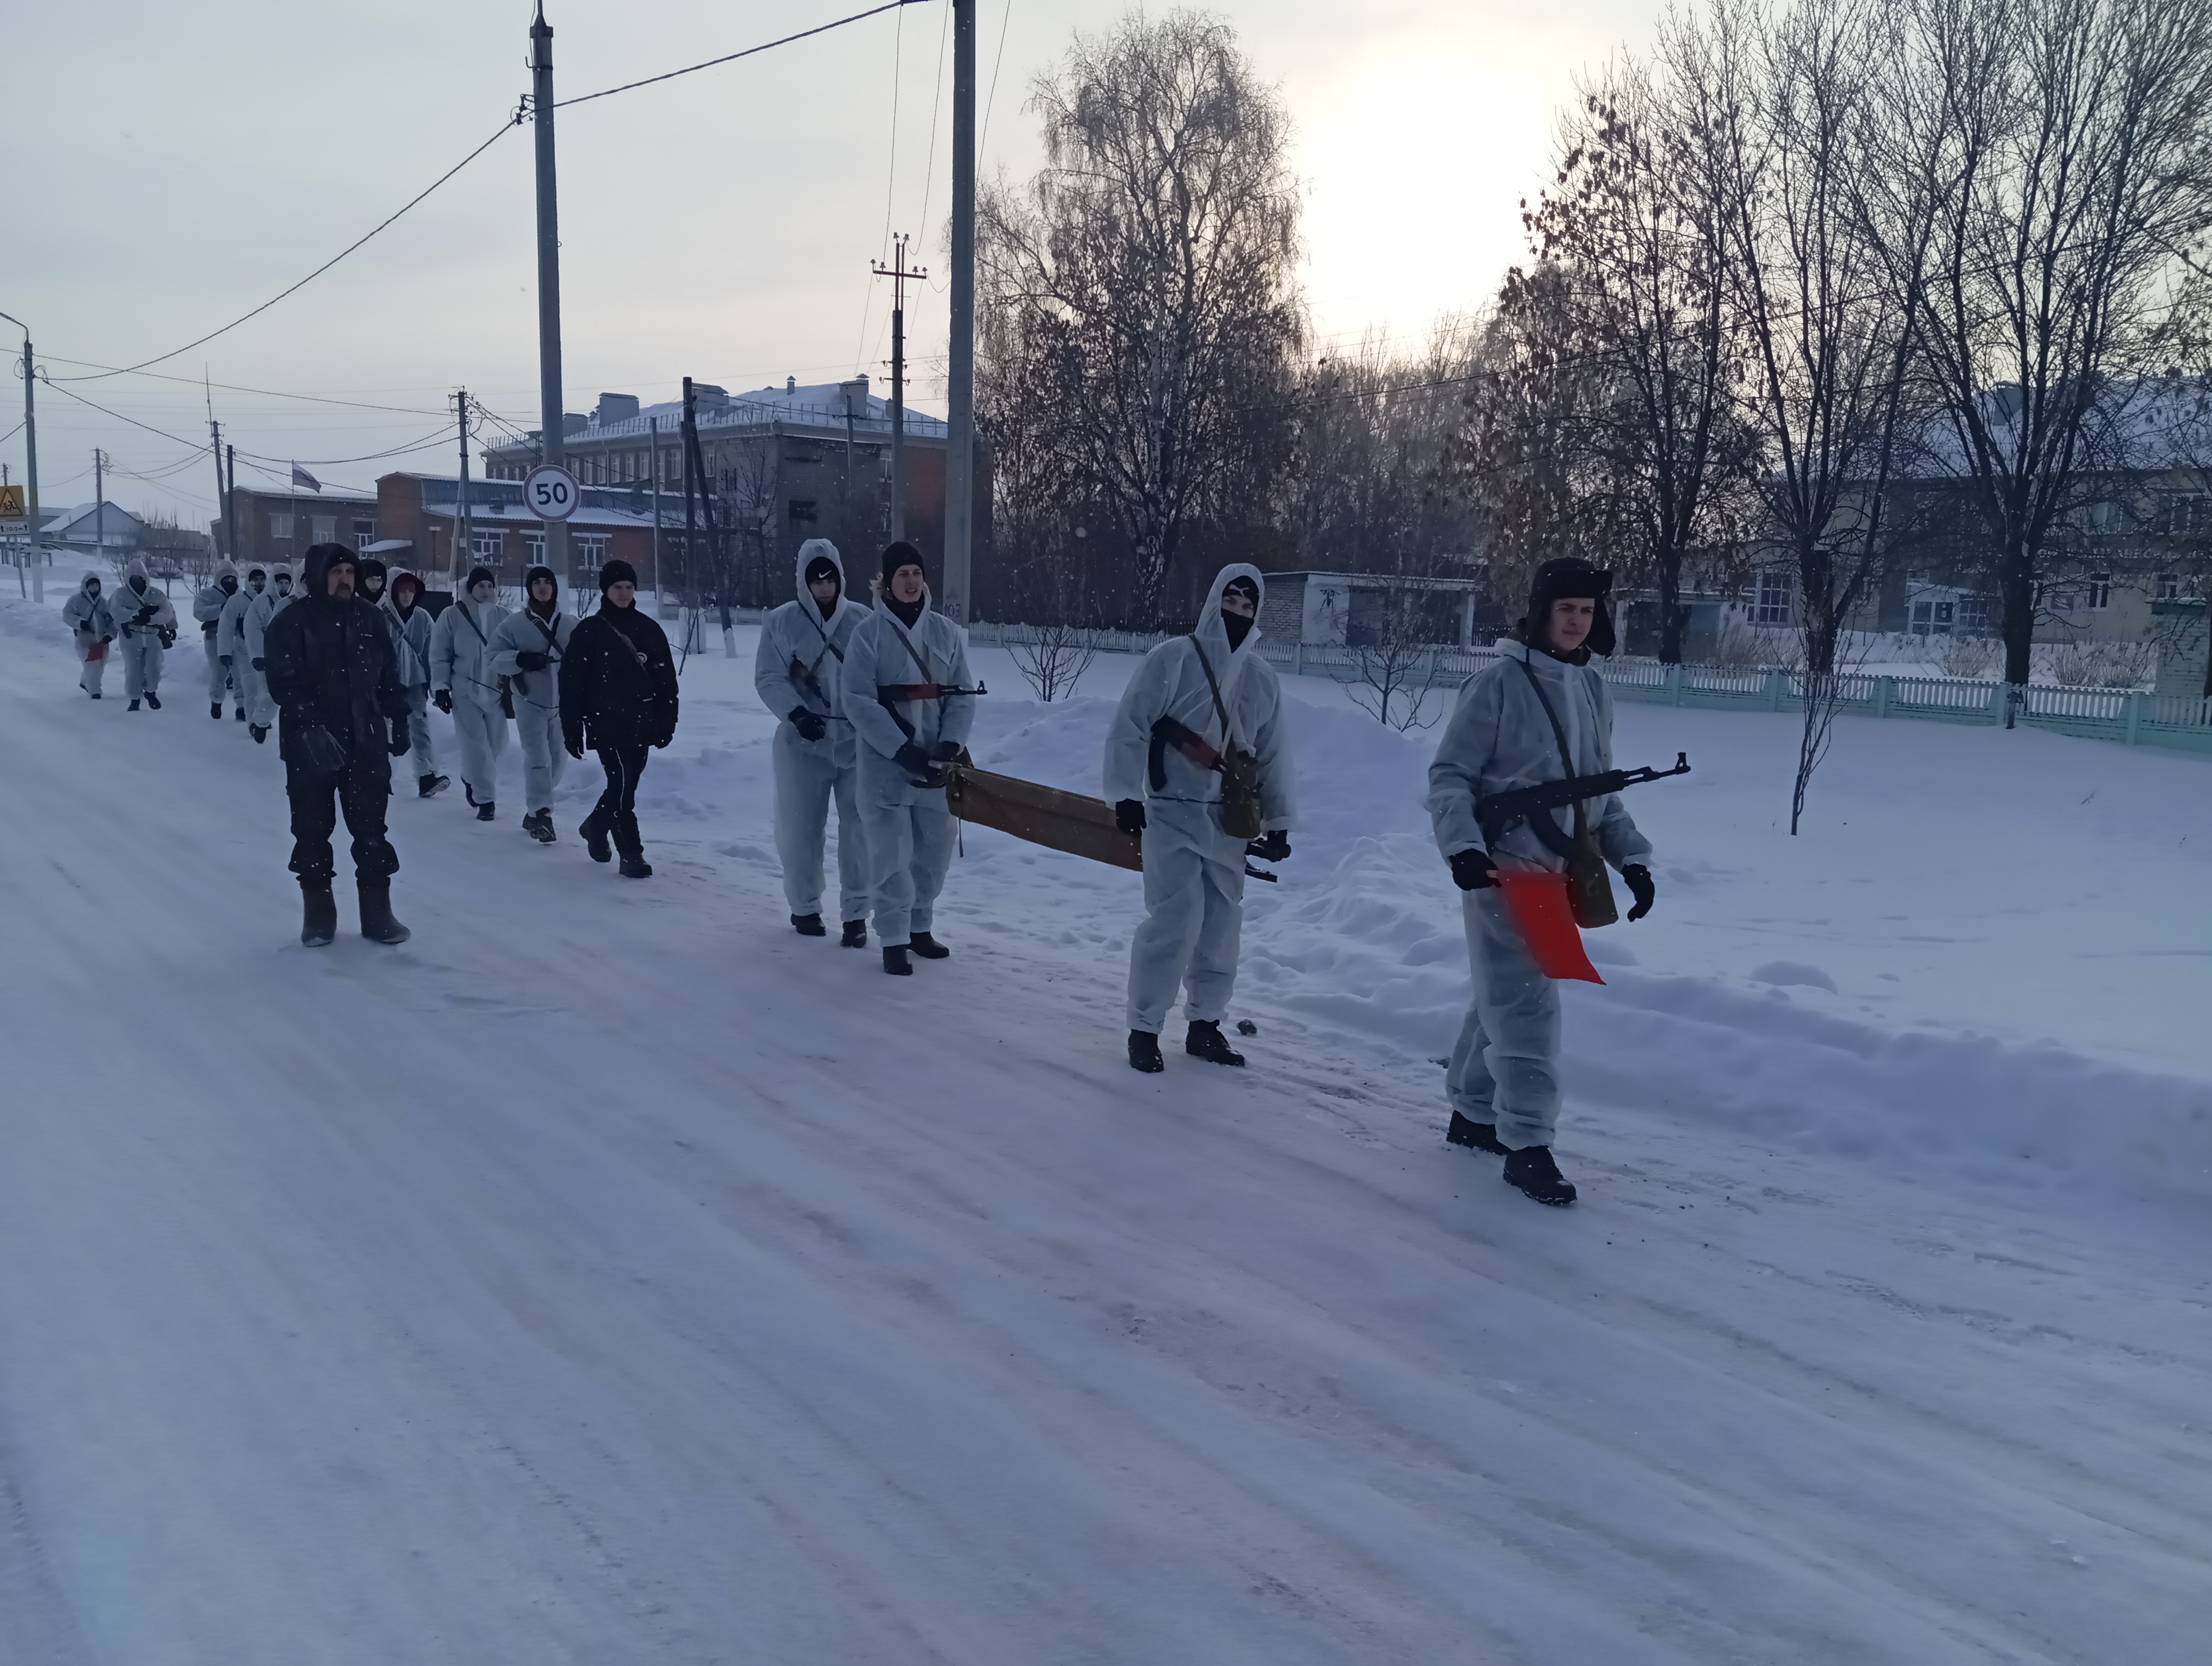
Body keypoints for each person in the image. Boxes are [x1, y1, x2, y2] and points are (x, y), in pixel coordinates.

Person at [1426, 558, 1657, 1207]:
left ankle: (1474, 1112)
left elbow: (1600, 794)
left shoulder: (1593, 691)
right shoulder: (1497, 685)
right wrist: (1463, 849)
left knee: (1500, 996)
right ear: (1540, 612)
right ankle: (1528, 1145)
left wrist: (1632, 861)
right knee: (1526, 1006)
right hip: (1504, 868)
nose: (1577, 622)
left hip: (1562, 870)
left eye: (1586, 611)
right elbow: (1450, 778)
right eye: (1566, 610)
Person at [1104, 565, 1295, 1073]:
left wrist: (1278, 821)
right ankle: (1144, 1028)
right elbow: (1131, 725)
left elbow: (1273, 756)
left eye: (1247, 602)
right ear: (1214, 600)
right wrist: (1125, 793)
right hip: (1172, 812)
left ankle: (1205, 1025)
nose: (1237, 608)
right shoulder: (1171, 659)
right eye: (1230, 598)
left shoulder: (1261, 679)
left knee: (1220, 925)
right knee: (1176, 918)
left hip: (1229, 822)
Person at [261, 544, 414, 947]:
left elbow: (388, 675)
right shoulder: (292, 622)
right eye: (336, 572)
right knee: (312, 829)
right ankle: (318, 917)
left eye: (350, 571)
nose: (345, 578)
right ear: (316, 575)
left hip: (366, 742)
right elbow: (283, 682)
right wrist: (310, 726)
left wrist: (399, 716)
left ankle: (378, 915)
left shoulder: (371, 618)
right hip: (309, 746)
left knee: (371, 831)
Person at [842, 541, 979, 976]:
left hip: (936, 767)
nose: (911, 581)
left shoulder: (945, 633)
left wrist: (950, 744)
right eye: (902, 574)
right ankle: (894, 937)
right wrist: (900, 749)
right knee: (889, 855)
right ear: (887, 581)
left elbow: (962, 696)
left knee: (933, 853)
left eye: (916, 573)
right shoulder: (868, 634)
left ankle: (921, 926)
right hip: (886, 767)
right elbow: (858, 700)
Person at [755, 538, 872, 944]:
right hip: (802, 744)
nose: (823, 586)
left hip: (856, 742)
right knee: (801, 828)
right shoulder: (782, 621)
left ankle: (857, 913)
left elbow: (879, 677)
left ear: (840, 578)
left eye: (829, 577)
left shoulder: (862, 620)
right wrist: (797, 713)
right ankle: (804, 906)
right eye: (815, 579)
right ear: (804, 582)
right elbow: (769, 676)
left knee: (861, 831)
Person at [560, 559, 678, 877]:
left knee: (628, 782)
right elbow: (571, 682)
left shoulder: (649, 629)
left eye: (629, 587)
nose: (624, 593)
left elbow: (666, 680)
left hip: (642, 722)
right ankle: (631, 852)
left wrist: (668, 720)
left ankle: (595, 826)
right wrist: (571, 727)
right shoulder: (590, 630)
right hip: (604, 720)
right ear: (605, 590)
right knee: (622, 783)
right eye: (617, 587)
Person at [488, 564, 574, 843]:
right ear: (529, 590)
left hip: (563, 705)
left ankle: (534, 809)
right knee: (539, 758)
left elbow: (590, 659)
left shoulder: (572, 624)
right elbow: (493, 657)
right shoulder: (513, 625)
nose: (543, 587)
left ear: (555, 588)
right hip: (528, 701)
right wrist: (521, 660)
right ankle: (542, 815)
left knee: (558, 761)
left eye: (547, 582)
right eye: (536, 582)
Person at [430, 565, 512, 822]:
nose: (486, 591)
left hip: (497, 691)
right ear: (470, 588)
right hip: (465, 688)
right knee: (476, 746)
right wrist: (441, 687)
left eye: (490, 586)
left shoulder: (506, 616)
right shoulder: (452, 615)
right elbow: (439, 654)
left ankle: (470, 777)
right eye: (480, 586)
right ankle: (485, 799)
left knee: (497, 745)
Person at [381, 570, 448, 798]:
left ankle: (426, 775)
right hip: (385, 682)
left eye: (411, 591)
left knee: (420, 726)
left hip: (415, 681)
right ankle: (380, 774)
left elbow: (431, 651)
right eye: (403, 591)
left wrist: (434, 683)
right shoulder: (380, 615)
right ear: (393, 591)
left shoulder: (423, 618)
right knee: (383, 728)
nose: (408, 595)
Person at [112, 558, 176, 710]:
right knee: (134, 670)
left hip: (153, 635)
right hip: (131, 637)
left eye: (140, 578)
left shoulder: (156, 594)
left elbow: (168, 612)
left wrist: (153, 619)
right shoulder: (120, 594)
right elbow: (115, 612)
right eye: (133, 578)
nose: (137, 581)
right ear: (128, 578)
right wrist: (136, 615)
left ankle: (150, 691)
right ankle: (134, 699)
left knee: (154, 668)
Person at [242, 562, 296, 742]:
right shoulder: (261, 604)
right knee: (270, 696)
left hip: (294, 659)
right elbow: (252, 629)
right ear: (273, 582)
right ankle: (261, 723)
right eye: (280, 582)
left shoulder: (297, 602)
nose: (283, 587)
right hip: (270, 659)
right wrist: (258, 655)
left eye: (287, 583)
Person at [194, 560, 240, 718]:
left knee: (240, 673)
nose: (230, 582)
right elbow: (199, 612)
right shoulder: (207, 594)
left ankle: (241, 707)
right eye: (226, 579)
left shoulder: (241, 595)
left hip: (237, 637)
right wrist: (222, 610)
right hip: (215, 637)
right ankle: (216, 701)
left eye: (233, 579)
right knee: (219, 672)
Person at [61, 572, 115, 699]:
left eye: (97, 584)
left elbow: (112, 621)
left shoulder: (105, 603)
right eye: (91, 584)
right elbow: (67, 615)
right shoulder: (76, 601)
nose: (94, 587)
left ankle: (85, 682)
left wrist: (110, 635)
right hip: (84, 639)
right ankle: (95, 691)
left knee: (100, 664)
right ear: (85, 586)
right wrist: (80, 623)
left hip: (102, 640)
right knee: (92, 665)